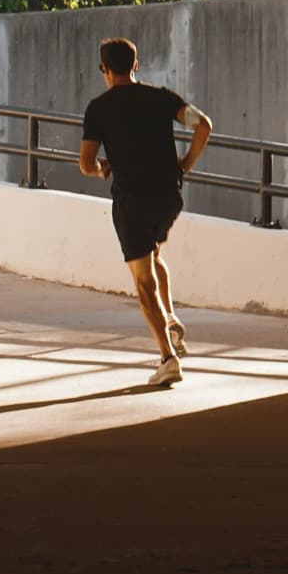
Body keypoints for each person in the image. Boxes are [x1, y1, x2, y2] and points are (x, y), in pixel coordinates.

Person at [79, 37, 212, 388]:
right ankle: (169, 317)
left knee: (142, 282)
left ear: (104, 69)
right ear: (136, 66)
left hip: (132, 202)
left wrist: (101, 169)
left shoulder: (98, 108)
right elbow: (203, 125)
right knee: (153, 255)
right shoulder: (162, 98)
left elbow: (85, 163)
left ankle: (168, 359)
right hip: (168, 198)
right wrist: (186, 164)